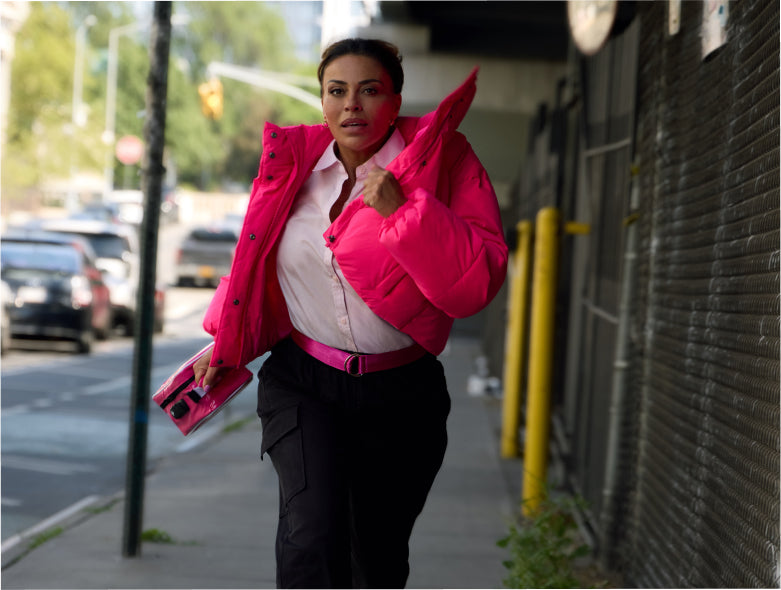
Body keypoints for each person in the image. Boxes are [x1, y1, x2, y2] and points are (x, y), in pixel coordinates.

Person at [194, 38, 508, 589]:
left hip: (402, 392)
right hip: (304, 382)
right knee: (310, 537)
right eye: (337, 91)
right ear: (321, 100)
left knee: (377, 558)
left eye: (370, 91)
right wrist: (224, 342)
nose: (351, 106)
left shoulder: (447, 160)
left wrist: (406, 212)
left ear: (396, 100)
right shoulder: (291, 165)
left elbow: (476, 280)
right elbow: (257, 265)